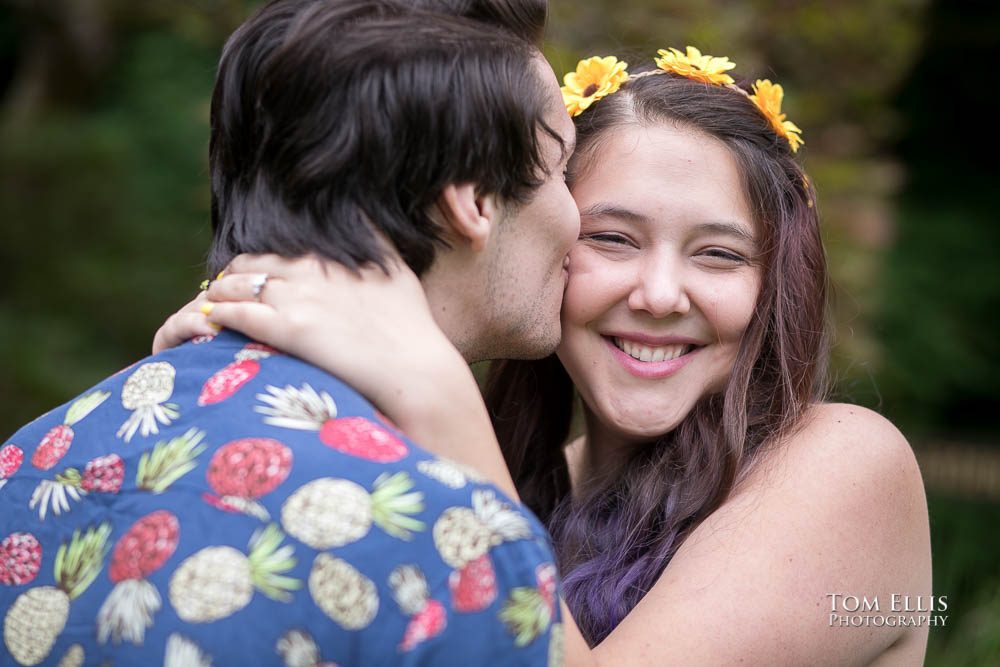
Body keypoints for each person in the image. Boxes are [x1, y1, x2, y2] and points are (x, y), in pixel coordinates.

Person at [163, 48, 933, 665]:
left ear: (773, 284)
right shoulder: (501, 479)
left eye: (719, 254)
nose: (661, 293)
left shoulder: (845, 462)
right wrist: (214, 386)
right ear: (546, 246)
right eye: (612, 239)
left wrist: (437, 389)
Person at [0, 1, 583, 664]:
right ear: (473, 200)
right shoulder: (459, 541)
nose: (577, 216)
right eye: (560, 170)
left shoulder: (30, 460)